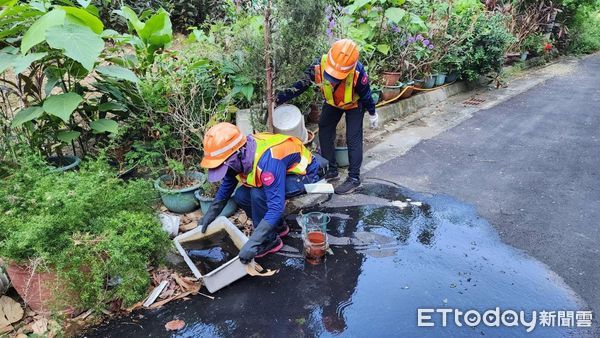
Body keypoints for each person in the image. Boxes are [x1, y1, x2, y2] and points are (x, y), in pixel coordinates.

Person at [197, 122, 325, 263]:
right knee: (241, 196)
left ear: (237, 154)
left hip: (303, 175)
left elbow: (276, 207)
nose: (223, 169)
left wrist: (254, 242)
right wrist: (211, 214)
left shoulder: (268, 162)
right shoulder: (238, 154)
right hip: (282, 172)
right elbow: (228, 185)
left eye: (222, 165)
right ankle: (278, 227)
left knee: (259, 194)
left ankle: (270, 241)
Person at [276, 38, 378, 195]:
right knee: (324, 127)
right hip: (333, 102)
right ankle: (331, 169)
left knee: (353, 138)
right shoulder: (318, 66)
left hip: (354, 105)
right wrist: (277, 99)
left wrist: (372, 112)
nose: (333, 79)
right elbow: (300, 85)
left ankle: (354, 178)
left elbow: (366, 94)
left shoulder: (358, 71)